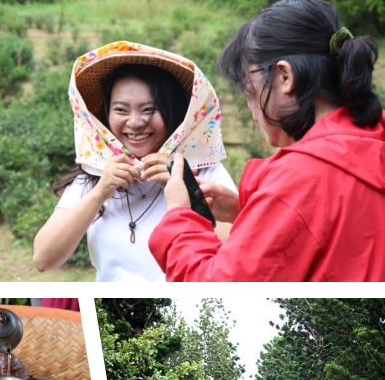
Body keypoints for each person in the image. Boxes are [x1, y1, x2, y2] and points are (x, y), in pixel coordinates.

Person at [149, 0, 385, 281]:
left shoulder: (302, 179)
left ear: (284, 77)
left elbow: (212, 287)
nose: (248, 104)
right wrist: (251, 212)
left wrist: (180, 215)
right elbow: (343, 241)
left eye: (247, 86)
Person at [33, 42, 236, 281]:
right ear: (106, 114)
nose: (136, 122)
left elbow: (236, 254)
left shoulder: (203, 171)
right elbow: (43, 259)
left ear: (173, 112)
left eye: (149, 110)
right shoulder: (95, 174)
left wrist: (183, 192)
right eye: (121, 110)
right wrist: (101, 191)